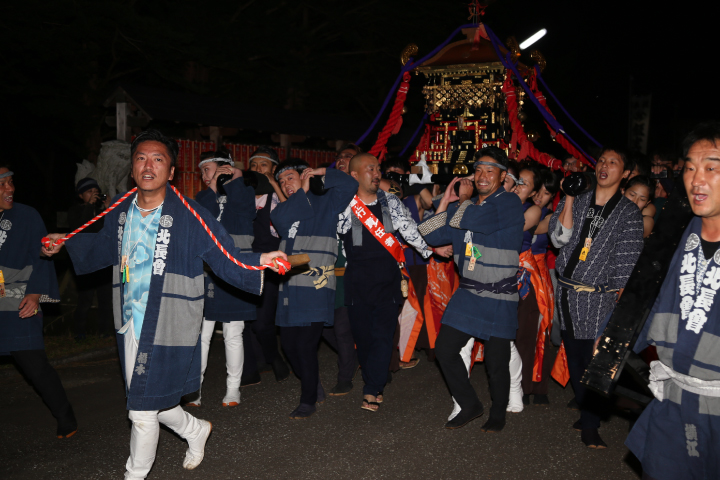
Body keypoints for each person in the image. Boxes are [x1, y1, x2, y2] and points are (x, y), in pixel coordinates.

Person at [43, 130, 287, 479]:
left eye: (158, 159)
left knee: (140, 411)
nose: (149, 165)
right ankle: (194, 429)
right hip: (130, 320)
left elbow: (224, 254)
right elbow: (101, 247)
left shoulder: (188, 213)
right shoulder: (120, 211)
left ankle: (134, 475)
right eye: (141, 157)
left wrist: (262, 259)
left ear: (170, 172)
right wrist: (64, 243)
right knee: (151, 398)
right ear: (132, 167)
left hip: (169, 320)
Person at [626, 122, 720, 480]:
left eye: (711, 167)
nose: (697, 179)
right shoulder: (684, 233)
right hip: (675, 393)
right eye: (690, 168)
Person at [419, 146, 524, 431]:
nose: (482, 176)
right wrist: (446, 202)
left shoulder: (508, 203)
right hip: (467, 293)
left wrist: (461, 202)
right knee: (444, 349)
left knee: (496, 361)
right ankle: (470, 404)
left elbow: (473, 221)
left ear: (502, 177)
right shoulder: (462, 208)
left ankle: (498, 413)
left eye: (490, 170)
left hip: (499, 295)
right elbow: (427, 233)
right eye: (478, 169)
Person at [549, 146, 644, 448]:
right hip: (564, 291)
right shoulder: (579, 200)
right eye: (601, 161)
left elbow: (627, 262)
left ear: (626, 173)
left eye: (613, 162)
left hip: (596, 298)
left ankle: (590, 424)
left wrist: (615, 306)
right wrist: (568, 196)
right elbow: (557, 238)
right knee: (574, 357)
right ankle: (586, 409)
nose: (604, 166)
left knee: (591, 362)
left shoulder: (628, 212)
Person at [338, 153, 432, 412]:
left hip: (387, 278)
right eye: (370, 169)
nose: (377, 173)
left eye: (378, 168)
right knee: (364, 337)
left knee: (382, 335)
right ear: (355, 175)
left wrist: (430, 251)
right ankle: (374, 379)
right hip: (357, 279)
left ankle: (372, 388)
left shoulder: (391, 202)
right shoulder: (344, 204)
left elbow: (411, 230)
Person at [271, 158, 358, 418]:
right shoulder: (284, 210)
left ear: (304, 175)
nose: (286, 183)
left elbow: (349, 183)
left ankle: (307, 399)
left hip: (317, 284)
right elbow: (280, 220)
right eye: (282, 181)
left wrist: (320, 173)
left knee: (306, 345)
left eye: (291, 177)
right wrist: (303, 190)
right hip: (289, 286)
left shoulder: (328, 202)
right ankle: (313, 385)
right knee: (289, 346)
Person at [0, 166, 76, 439]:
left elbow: (41, 255)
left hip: (18, 298)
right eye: (3, 185)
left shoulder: (27, 216)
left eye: (11, 183)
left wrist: (34, 293)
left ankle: (65, 415)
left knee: (34, 365)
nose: (10, 189)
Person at [188, 150, 257, 407]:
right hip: (207, 271)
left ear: (223, 168)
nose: (204, 176)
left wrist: (235, 178)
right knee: (202, 333)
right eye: (202, 171)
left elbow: (247, 213)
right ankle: (195, 390)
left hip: (236, 268)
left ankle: (233, 389)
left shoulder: (242, 191)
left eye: (207, 170)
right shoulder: (202, 198)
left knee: (233, 332)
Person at [244, 146, 290, 385]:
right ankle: (251, 368)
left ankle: (274, 357)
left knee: (262, 321)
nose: (258, 170)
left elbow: (288, 221)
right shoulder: (243, 195)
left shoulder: (278, 195)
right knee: (244, 319)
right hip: (244, 261)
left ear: (273, 168)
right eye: (253, 165)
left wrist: (273, 185)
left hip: (270, 263)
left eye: (264, 165)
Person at [68, 177, 113, 339]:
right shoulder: (75, 211)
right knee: (85, 299)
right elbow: (80, 229)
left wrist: (110, 208)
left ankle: (104, 331)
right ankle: (79, 332)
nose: (94, 194)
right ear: (80, 195)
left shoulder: (102, 212)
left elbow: (111, 229)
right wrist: (89, 207)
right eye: (89, 192)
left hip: (102, 259)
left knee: (105, 299)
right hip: (85, 260)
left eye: (96, 191)